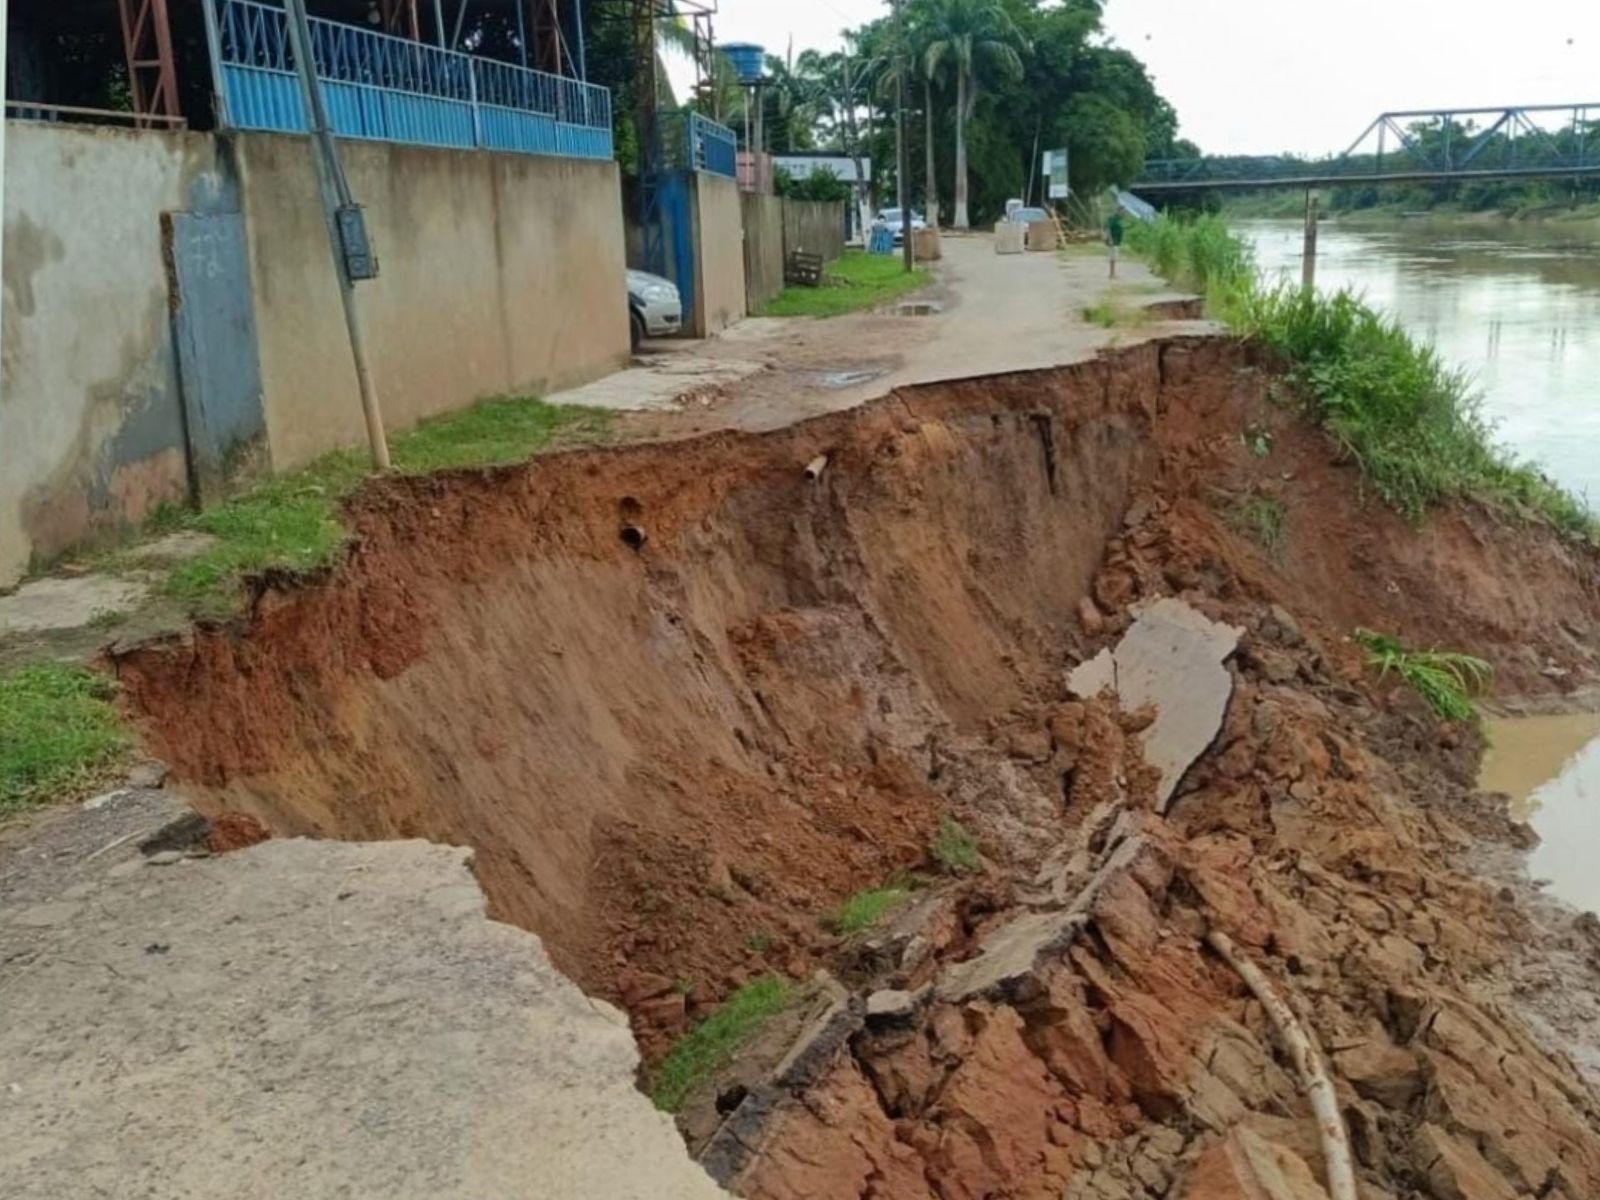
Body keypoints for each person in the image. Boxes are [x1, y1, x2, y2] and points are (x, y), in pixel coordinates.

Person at [1106, 211, 1125, 279]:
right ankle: (1112, 274)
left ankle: (1112, 273)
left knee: (1114, 258)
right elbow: (1108, 229)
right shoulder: (1113, 219)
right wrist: (1110, 239)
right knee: (1112, 258)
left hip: (1117, 241)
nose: (1123, 214)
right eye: (1122, 212)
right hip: (1113, 241)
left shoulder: (1119, 220)